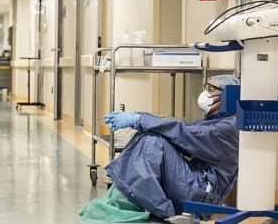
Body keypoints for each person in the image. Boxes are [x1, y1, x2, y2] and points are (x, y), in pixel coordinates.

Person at [102, 75, 239, 220]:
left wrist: (140, 119)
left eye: (211, 90)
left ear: (227, 96)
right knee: (154, 134)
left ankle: (164, 211)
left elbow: (184, 132)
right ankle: (134, 197)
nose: (205, 94)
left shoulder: (228, 127)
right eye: (206, 88)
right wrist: (139, 117)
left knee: (153, 140)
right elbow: (181, 133)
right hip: (195, 185)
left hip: (202, 196)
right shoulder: (217, 120)